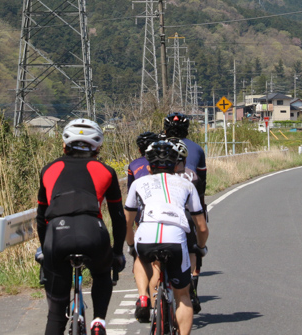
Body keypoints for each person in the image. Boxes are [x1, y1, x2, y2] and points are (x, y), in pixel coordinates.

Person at [36, 118, 127, 335]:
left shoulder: (48, 169)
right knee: (102, 273)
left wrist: (44, 249)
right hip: (92, 231)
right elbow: (117, 217)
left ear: (64, 144)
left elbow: (41, 218)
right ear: (97, 146)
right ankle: (99, 321)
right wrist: (117, 253)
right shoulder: (107, 171)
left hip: (57, 234)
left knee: (56, 313)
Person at [125, 140, 208, 335]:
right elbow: (201, 227)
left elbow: (127, 222)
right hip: (175, 237)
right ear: (177, 164)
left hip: (146, 235)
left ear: (149, 166)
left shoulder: (138, 183)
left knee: (141, 258)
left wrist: (130, 244)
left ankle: (145, 297)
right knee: (183, 295)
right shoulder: (186, 185)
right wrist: (200, 248)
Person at [162, 112, 207, 307]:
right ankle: (193, 288)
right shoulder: (196, 148)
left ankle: (151, 294)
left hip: (161, 208)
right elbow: (202, 183)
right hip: (189, 207)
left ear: (164, 129)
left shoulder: (157, 146)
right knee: (194, 247)